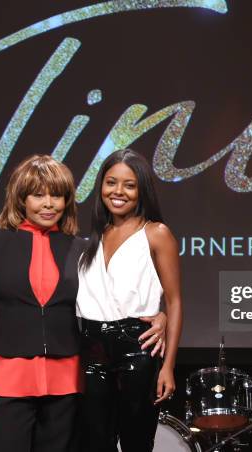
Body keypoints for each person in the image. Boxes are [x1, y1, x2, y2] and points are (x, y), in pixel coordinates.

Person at [0, 155, 85, 452]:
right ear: (21, 198)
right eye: (38, 195)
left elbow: (109, 304)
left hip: (66, 378)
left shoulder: (83, 248)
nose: (49, 203)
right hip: (8, 380)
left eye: (56, 195)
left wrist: (157, 316)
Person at [77, 149, 183, 452]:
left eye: (129, 185)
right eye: (111, 182)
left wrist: (168, 366)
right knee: (96, 443)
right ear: (100, 187)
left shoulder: (156, 233)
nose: (118, 192)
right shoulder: (94, 237)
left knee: (136, 443)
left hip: (137, 347)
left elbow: (174, 302)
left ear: (142, 190)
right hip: (92, 348)